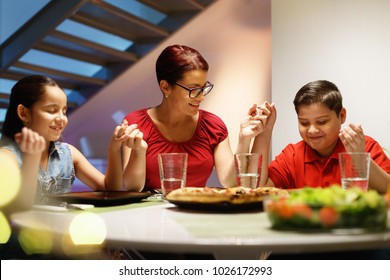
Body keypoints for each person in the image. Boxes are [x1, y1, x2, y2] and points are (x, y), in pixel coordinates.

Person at [121, 44, 268, 192]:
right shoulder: (135, 124)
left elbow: (229, 182)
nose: (202, 97)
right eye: (194, 89)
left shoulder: (212, 125)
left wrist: (244, 139)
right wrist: (138, 152)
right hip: (148, 213)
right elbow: (132, 187)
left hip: (197, 209)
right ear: (165, 87)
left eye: (204, 88)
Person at [0, 75, 132, 214]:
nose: (61, 119)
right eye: (51, 111)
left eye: (64, 111)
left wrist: (115, 147)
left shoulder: (69, 153)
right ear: (24, 113)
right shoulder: (6, 157)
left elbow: (110, 190)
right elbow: (21, 208)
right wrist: (32, 158)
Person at [253, 79, 390, 194]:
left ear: (341, 116)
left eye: (322, 122)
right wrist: (265, 131)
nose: (312, 130)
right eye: (304, 123)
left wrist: (360, 157)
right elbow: (257, 190)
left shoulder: (364, 146)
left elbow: (387, 190)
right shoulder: (292, 155)